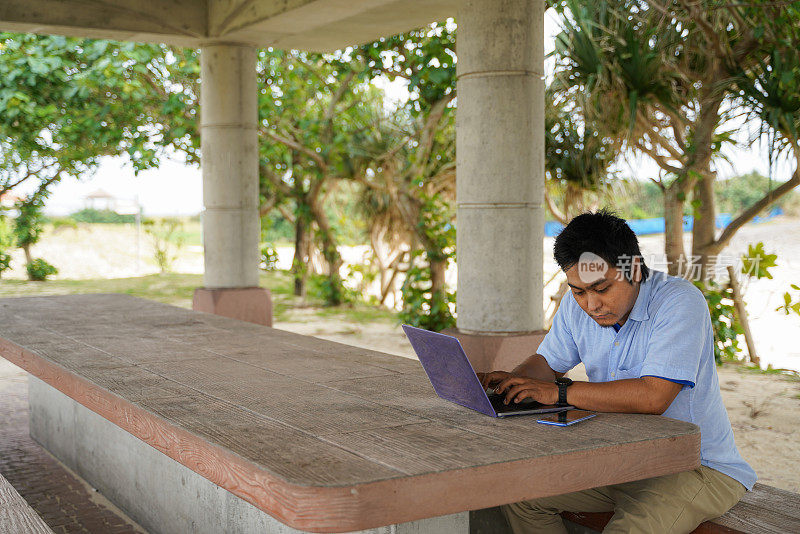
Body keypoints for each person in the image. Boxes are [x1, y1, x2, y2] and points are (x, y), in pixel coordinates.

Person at [479, 210, 756, 534]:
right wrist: (512, 383)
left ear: (634, 269)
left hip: (697, 467)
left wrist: (560, 391)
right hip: (621, 460)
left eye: (602, 288)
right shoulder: (575, 306)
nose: (591, 304)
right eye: (579, 291)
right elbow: (547, 363)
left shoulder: (679, 302)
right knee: (522, 495)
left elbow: (654, 397)